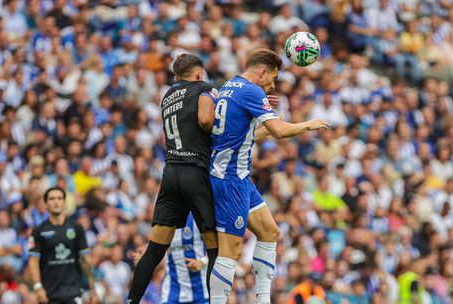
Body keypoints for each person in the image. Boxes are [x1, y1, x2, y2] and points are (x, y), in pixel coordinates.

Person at [208, 48, 328, 304]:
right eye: (272, 79)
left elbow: (245, 136)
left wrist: (268, 122)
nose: (272, 86)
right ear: (262, 72)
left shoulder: (230, 86)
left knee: (270, 232)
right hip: (228, 180)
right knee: (231, 251)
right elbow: (279, 131)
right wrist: (306, 125)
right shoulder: (251, 90)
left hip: (239, 178)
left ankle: (263, 300)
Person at [126, 54, 220, 304]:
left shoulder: (168, 96)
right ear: (199, 73)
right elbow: (205, 120)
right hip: (195, 171)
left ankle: (129, 301)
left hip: (170, 173)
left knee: (155, 249)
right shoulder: (205, 87)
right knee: (215, 249)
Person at [28, 187, 97, 304]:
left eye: (60, 198)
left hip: (73, 291)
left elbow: (85, 260)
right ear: (46, 203)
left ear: (64, 203)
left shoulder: (76, 228)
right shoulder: (38, 231)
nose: (56, 202)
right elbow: (33, 261)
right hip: (49, 293)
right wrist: (38, 287)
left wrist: (92, 289)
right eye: (52, 199)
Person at [134, 214, 209, 304]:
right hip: (172, 292)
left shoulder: (199, 215)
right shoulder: (165, 217)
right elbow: (158, 252)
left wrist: (202, 262)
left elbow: (219, 251)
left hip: (200, 293)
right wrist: (145, 259)